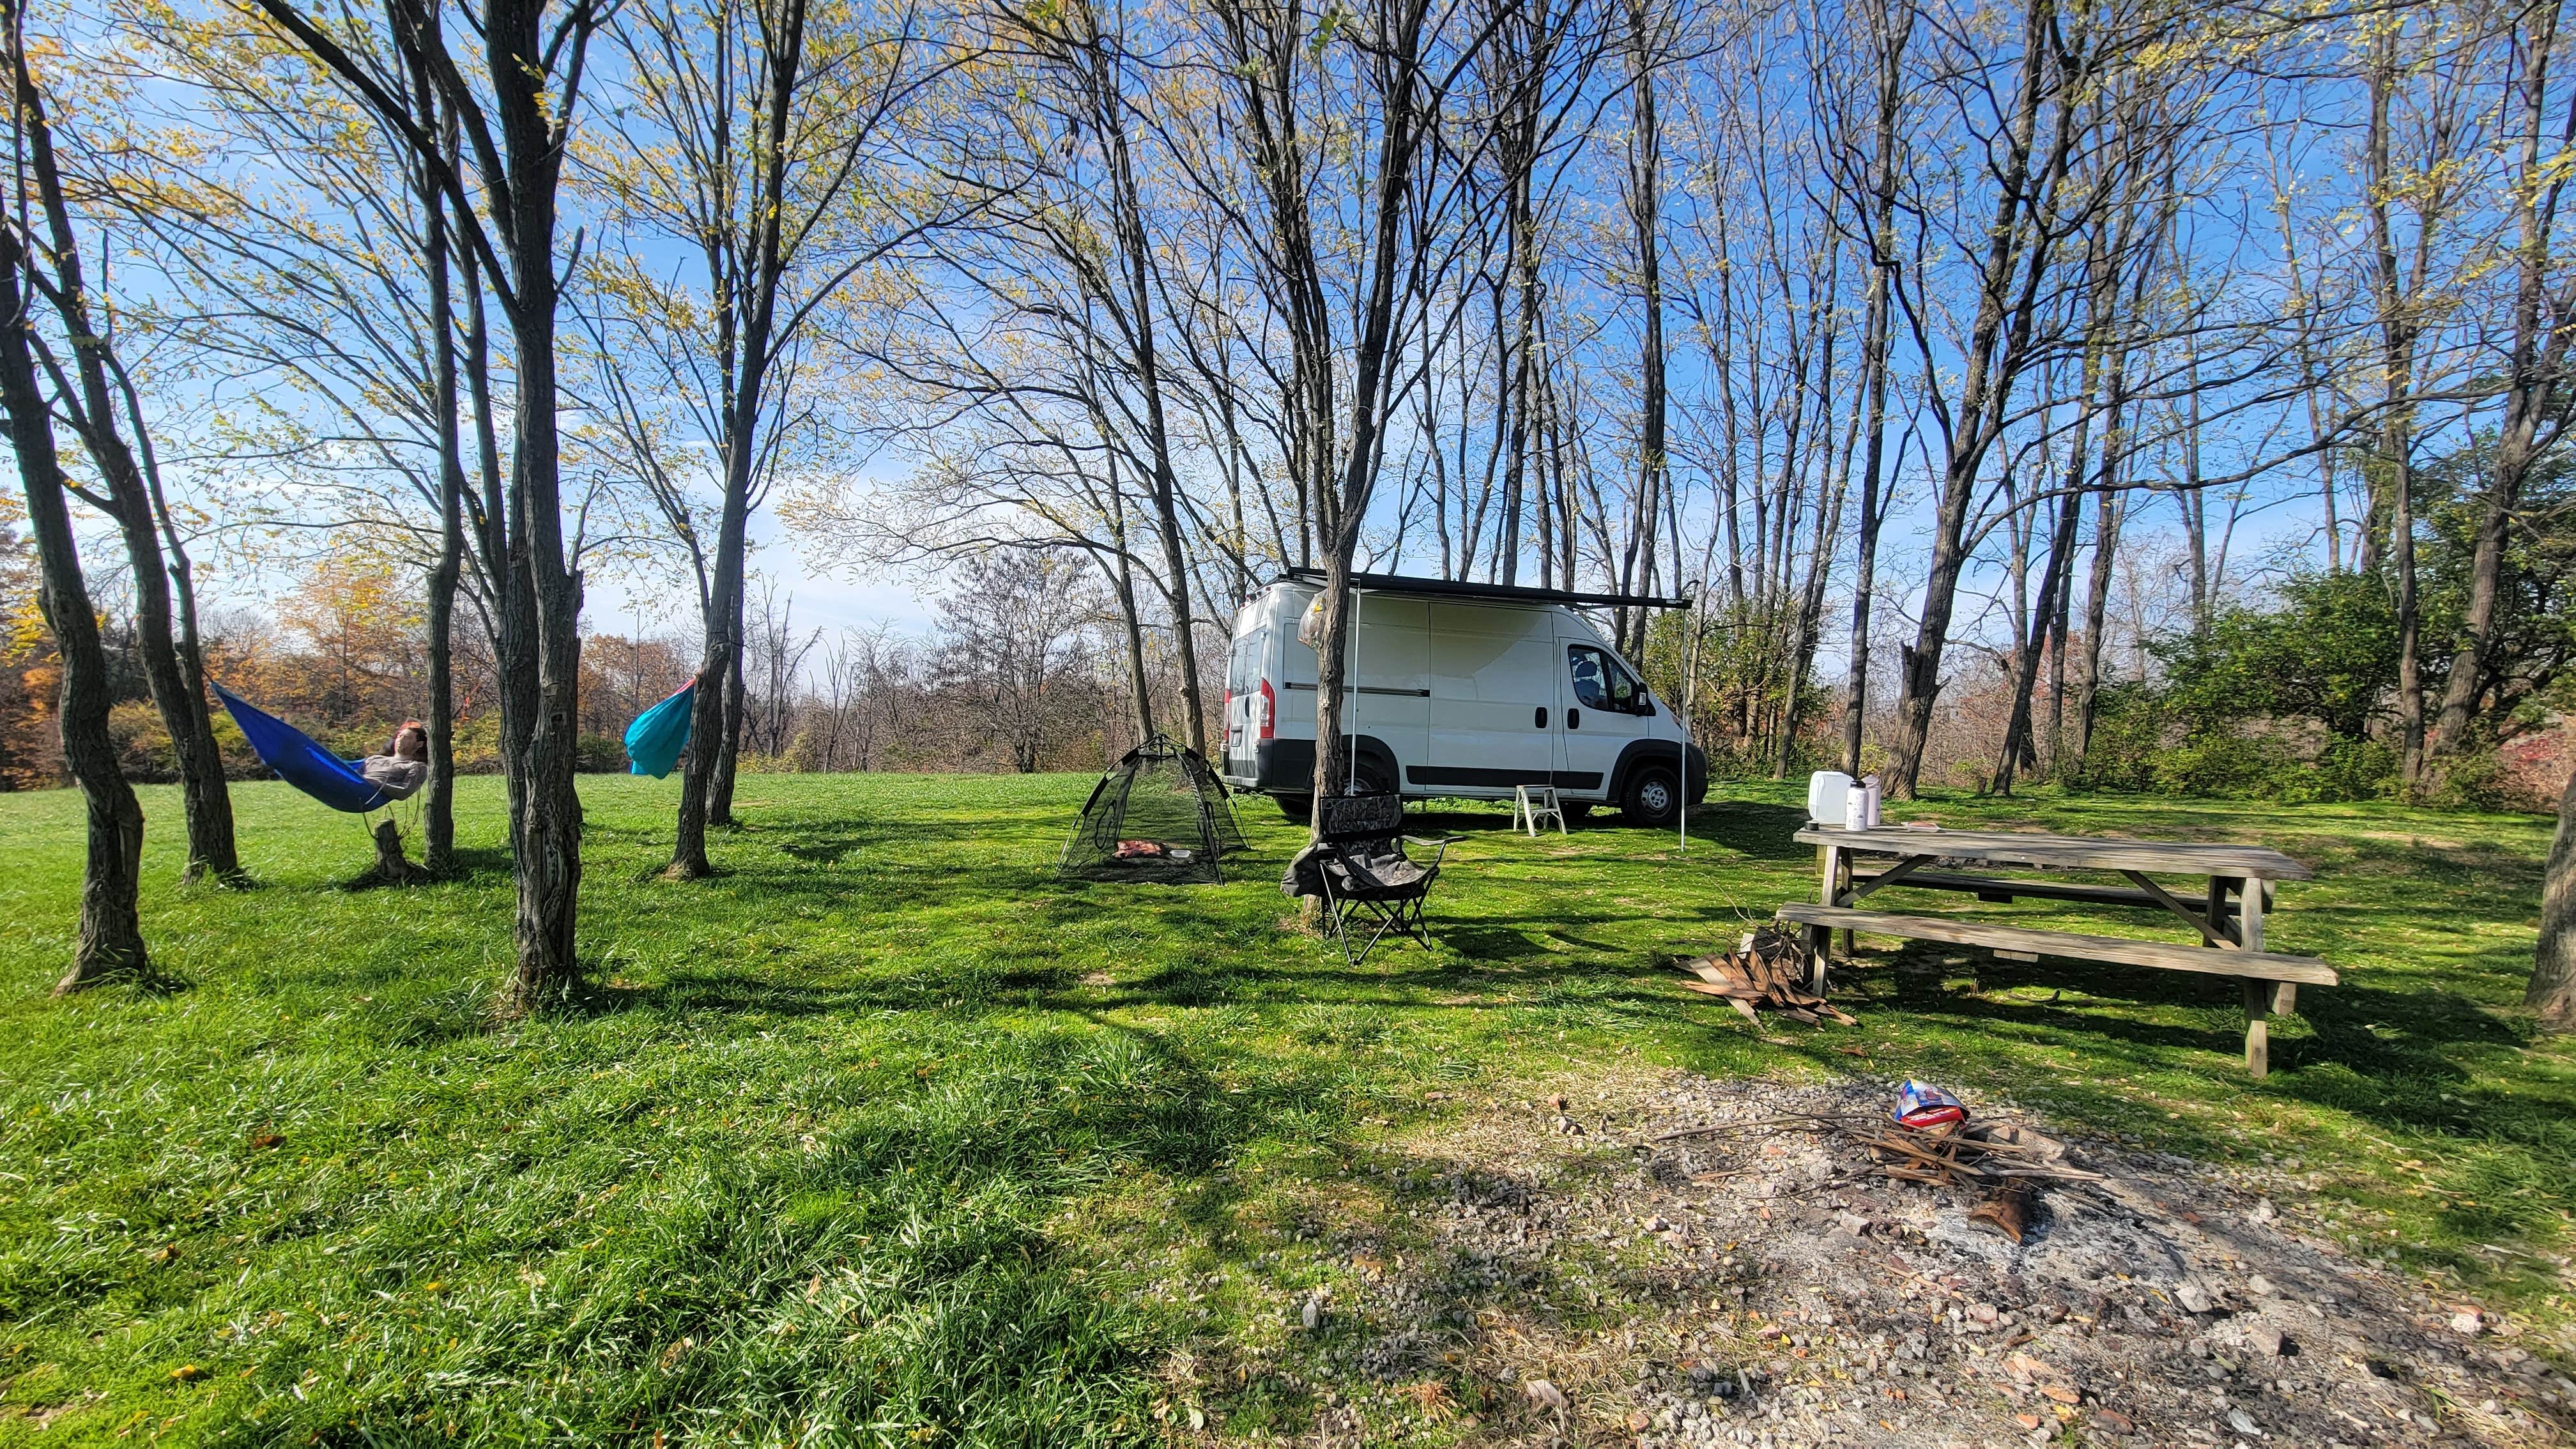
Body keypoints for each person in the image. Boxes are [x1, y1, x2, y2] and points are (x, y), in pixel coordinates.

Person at [358, 721, 429, 802]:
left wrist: (378, 784)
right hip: (350, 786)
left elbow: (404, 792)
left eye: (407, 738)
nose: (401, 739)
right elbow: (352, 775)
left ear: (419, 744)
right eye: (399, 736)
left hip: (366, 794)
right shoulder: (374, 759)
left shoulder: (416, 766)